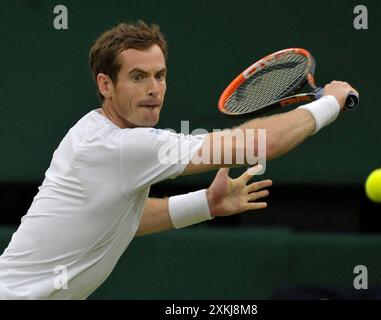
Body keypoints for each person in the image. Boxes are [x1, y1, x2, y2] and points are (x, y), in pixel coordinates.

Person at [0, 20, 358, 299]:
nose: (154, 89)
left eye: (160, 75)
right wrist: (328, 103)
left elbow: (122, 221)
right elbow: (254, 144)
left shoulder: (94, 134)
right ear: (106, 85)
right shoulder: (121, 148)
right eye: (138, 77)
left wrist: (205, 203)